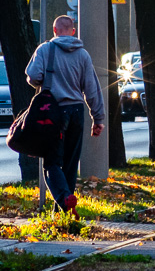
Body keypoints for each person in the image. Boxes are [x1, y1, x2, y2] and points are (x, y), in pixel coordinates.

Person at [25, 15, 105, 215]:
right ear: (73, 31)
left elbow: (33, 76)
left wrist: (43, 82)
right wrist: (98, 118)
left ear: (54, 30)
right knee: (70, 164)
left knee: (51, 162)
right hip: (77, 112)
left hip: (54, 113)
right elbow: (92, 89)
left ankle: (63, 199)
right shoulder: (83, 55)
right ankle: (64, 213)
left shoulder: (44, 50)